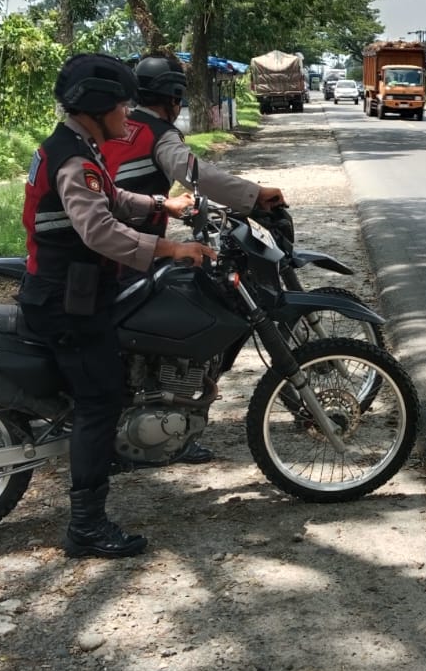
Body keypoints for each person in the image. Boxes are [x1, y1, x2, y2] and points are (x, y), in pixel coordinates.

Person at [19, 52, 216, 560]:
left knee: (110, 383)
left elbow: (109, 198)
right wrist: (168, 247)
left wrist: (160, 205)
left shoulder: (75, 147)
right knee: (99, 400)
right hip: (69, 300)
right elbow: (98, 229)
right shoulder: (75, 158)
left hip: (72, 290)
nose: (129, 116)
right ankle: (85, 527)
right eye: (123, 105)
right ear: (98, 104)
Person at [100, 50, 288, 464]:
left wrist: (175, 207)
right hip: (126, 253)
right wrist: (254, 195)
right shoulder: (159, 134)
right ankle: (151, 424)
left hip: (107, 246)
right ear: (174, 96)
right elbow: (197, 173)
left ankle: (166, 416)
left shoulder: (115, 127)